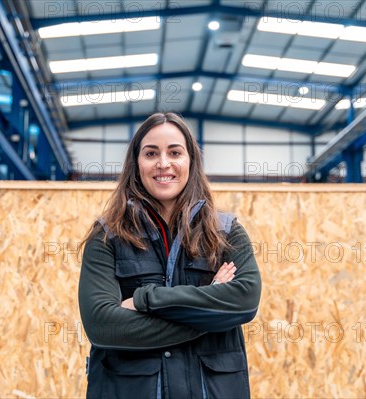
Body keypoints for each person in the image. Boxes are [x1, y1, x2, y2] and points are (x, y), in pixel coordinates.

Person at [78, 112, 262, 398]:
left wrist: (144, 300)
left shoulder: (226, 232)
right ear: (136, 163)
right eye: (151, 153)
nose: (163, 164)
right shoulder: (107, 237)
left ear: (190, 160)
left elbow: (245, 300)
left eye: (174, 152)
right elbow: (103, 325)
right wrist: (209, 312)